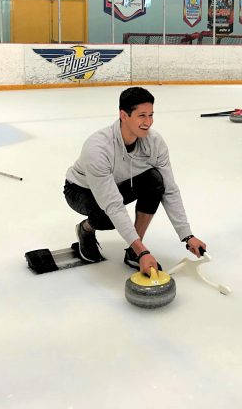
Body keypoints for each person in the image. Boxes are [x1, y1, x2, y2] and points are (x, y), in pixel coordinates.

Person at [64, 87, 206, 275]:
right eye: (142, 116)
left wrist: (187, 236)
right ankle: (86, 229)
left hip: (120, 184)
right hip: (80, 190)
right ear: (124, 115)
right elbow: (113, 205)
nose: (148, 122)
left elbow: (170, 190)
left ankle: (133, 251)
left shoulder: (154, 143)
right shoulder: (98, 149)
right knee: (107, 217)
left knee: (155, 181)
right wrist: (144, 253)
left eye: (151, 115)